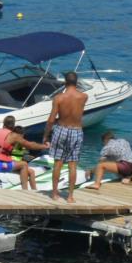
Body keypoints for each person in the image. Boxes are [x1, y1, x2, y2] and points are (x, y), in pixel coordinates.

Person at [43, 71, 89, 203]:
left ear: (65, 82)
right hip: (76, 131)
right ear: (77, 82)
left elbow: (51, 120)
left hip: (61, 129)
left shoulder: (58, 98)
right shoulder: (84, 97)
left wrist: (46, 135)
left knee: (58, 163)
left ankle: (54, 194)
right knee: (72, 165)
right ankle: (70, 196)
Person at [0, 115, 50, 190]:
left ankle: (31, 189)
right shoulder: (13, 136)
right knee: (24, 164)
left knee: (27, 169)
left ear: (3, 123)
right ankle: (25, 190)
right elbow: (30, 145)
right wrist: (44, 146)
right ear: (13, 125)